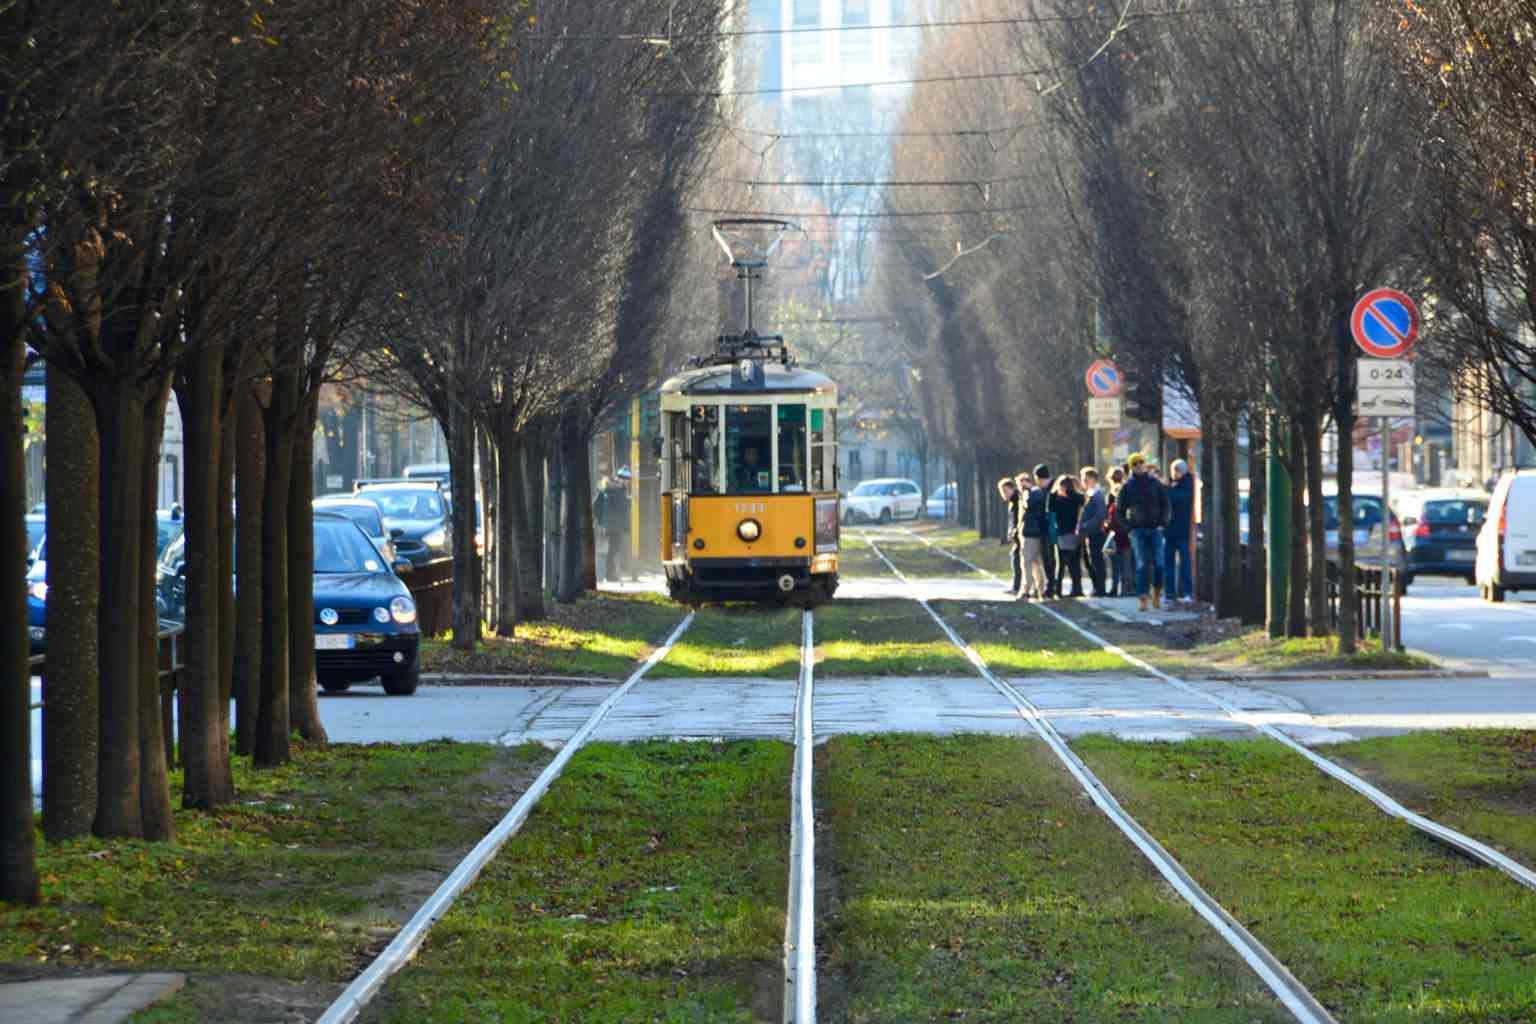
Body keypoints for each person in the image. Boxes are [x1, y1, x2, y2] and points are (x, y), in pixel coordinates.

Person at [1117, 452, 1172, 611]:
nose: (1139, 465)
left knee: (1159, 563)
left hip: (1156, 529)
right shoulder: (1127, 487)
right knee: (1142, 565)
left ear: (1145, 464)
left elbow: (1166, 505)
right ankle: (1142, 597)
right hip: (1138, 530)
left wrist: (1163, 523)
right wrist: (1129, 528)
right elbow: (1119, 511)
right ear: (1131, 467)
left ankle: (1156, 593)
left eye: (1141, 462)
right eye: (1135, 463)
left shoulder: (1155, 483)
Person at [1164, 458, 1195, 604]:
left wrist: (1168, 489)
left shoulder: (1187, 483)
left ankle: (1187, 592)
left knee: (1185, 562)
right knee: (1168, 563)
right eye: (1173, 471)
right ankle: (1169, 592)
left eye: (1177, 471)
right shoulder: (1171, 484)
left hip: (1182, 530)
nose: (1174, 474)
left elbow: (1180, 500)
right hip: (1169, 530)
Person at [1050, 474, 1086, 597]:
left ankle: (1076, 588)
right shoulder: (1057, 499)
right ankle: (1058, 589)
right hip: (1062, 533)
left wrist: (1069, 492)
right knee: (1063, 563)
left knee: (1073, 563)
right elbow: (1050, 508)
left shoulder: (1074, 498)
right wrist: (1055, 493)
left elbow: (1081, 500)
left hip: (1072, 533)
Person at [1018, 469, 1050, 600]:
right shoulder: (1034, 493)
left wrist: (1026, 491)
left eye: (1022, 485)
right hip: (1030, 532)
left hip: (1032, 532)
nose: (1020, 488)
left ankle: (1027, 589)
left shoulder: (1034, 493)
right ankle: (1039, 588)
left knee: (1027, 562)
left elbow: (1029, 505)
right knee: (1035, 562)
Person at [593, 473, 631, 582]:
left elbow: (595, 506)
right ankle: (609, 574)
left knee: (609, 550)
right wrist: (626, 527)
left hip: (607, 526)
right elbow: (623, 512)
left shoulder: (605, 489)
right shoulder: (621, 491)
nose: (628, 482)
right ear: (622, 479)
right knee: (613, 550)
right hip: (617, 527)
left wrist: (601, 520)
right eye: (627, 479)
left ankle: (607, 573)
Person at [1077, 467, 1108, 596]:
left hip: (1096, 533)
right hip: (1090, 533)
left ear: (1092, 480)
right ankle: (1097, 586)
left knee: (1097, 561)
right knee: (1090, 561)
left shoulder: (1097, 495)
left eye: (1085, 479)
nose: (1082, 481)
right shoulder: (1089, 494)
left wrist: (1085, 526)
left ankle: (1100, 588)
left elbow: (1100, 515)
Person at [1105, 466, 1131, 596]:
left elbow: (1113, 517)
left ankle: (1122, 588)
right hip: (1120, 534)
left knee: (1119, 564)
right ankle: (1119, 588)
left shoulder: (1115, 499)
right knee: (1120, 563)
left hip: (1119, 534)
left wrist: (1107, 526)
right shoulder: (1116, 498)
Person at [997, 475, 1023, 596]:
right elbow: (1012, 519)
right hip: (1017, 536)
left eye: (1005, 491)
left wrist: (1015, 530)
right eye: (1002, 492)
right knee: (1016, 559)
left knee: (1018, 560)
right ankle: (1016, 587)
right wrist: (1010, 531)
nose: (1004, 494)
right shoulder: (1012, 502)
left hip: (1021, 535)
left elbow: (1020, 518)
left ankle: (1017, 587)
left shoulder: (1017, 499)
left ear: (1012, 488)